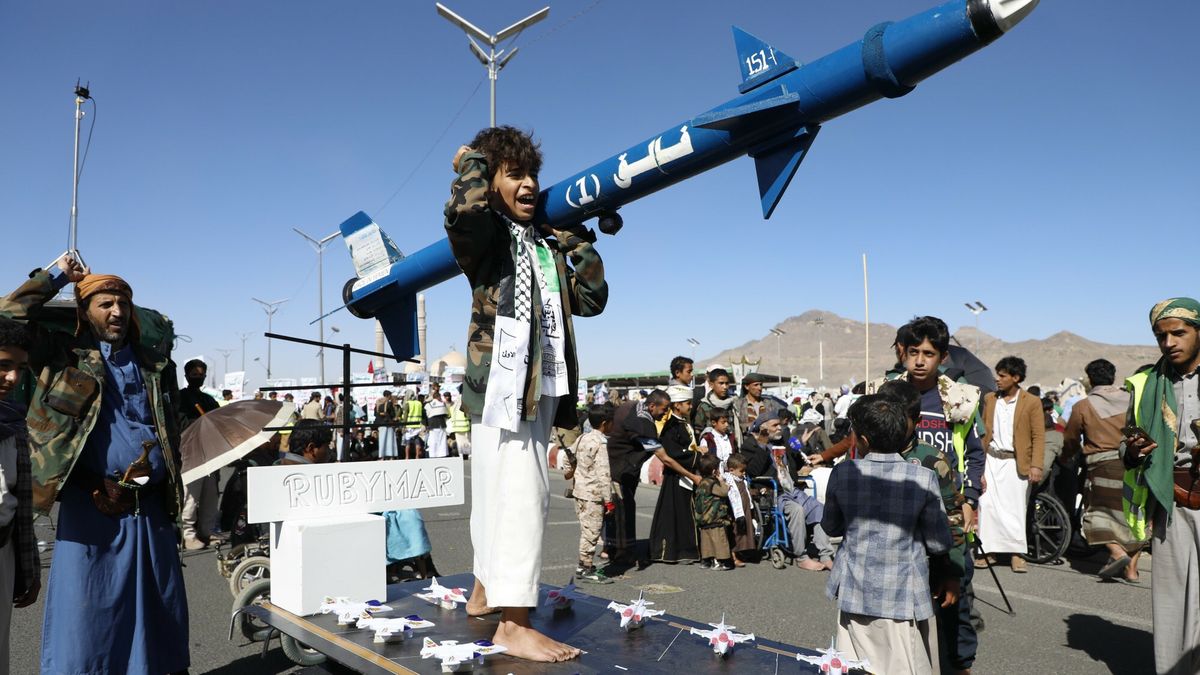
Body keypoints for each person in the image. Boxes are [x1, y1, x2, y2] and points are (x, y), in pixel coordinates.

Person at [445, 126, 607, 662]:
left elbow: (591, 298)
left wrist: (575, 237)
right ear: (491, 184)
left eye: (532, 174)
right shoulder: (486, 239)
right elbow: (464, 213)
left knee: (496, 492)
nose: (530, 184)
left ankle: (486, 589)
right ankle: (514, 625)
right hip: (503, 386)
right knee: (520, 495)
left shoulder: (544, 244)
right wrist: (470, 162)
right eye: (514, 174)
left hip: (535, 388)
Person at [1, 254, 189, 674]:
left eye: (123, 303)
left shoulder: (155, 366)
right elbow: (5, 315)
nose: (118, 311)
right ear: (85, 311)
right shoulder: (61, 356)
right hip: (92, 506)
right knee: (88, 619)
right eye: (106, 304)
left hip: (150, 511)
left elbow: (165, 433)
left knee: (158, 614)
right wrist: (56, 277)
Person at [821, 395, 956, 675]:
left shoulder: (843, 474)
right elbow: (939, 542)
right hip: (903, 599)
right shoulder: (922, 477)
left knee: (853, 667)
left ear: (864, 440)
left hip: (854, 593)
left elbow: (831, 527)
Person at [885, 316, 984, 674]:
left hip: (949, 510)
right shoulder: (887, 394)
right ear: (903, 354)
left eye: (929, 353)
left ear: (942, 356)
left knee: (955, 595)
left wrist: (970, 500)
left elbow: (974, 454)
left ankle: (960, 664)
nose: (920, 360)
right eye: (914, 352)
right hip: (900, 512)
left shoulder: (960, 399)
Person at [1121, 298, 1200, 675]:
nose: (1169, 342)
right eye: (1161, 335)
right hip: (1172, 500)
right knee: (1171, 604)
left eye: (1179, 333)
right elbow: (1125, 444)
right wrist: (1135, 449)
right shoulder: (1146, 384)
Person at [1059, 358, 1144, 581]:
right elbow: (1138, 432)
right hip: (1134, 464)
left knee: (1097, 513)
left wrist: (1066, 456)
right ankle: (1132, 571)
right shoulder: (1131, 401)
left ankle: (1117, 554)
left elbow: (1070, 439)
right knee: (1133, 517)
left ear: (1090, 379)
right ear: (1113, 377)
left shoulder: (1084, 406)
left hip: (1102, 467)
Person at [977, 356, 1044, 573]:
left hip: (1016, 462)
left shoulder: (1032, 402)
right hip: (991, 460)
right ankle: (988, 551)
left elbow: (1038, 436)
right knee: (987, 506)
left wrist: (1036, 465)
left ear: (1016, 378)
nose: (998, 379)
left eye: (1002, 376)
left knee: (1015, 509)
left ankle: (1016, 553)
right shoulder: (990, 399)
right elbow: (982, 432)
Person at [0, 318, 41, 674]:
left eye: (19, 368)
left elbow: (20, 504)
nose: (12, 378)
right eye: (2, 365)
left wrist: (28, 570)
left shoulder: (13, 422)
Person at [605, 389, 668, 565]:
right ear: (652, 405)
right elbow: (660, 453)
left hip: (621, 467)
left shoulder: (633, 407)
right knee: (622, 510)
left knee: (615, 509)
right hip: (621, 469)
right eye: (663, 409)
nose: (664, 414)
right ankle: (623, 553)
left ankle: (611, 547)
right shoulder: (642, 422)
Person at [648, 385, 705, 564]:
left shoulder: (684, 422)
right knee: (675, 515)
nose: (690, 406)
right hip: (677, 476)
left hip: (686, 473)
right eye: (687, 403)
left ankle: (686, 550)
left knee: (684, 514)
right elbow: (673, 452)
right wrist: (697, 455)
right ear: (677, 405)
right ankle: (675, 552)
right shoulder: (670, 425)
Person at [562, 404, 614, 583]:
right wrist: (609, 500)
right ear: (605, 423)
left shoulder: (583, 437)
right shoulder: (600, 442)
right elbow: (604, 473)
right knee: (592, 532)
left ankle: (584, 564)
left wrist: (569, 471)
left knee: (586, 530)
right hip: (593, 494)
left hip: (579, 492)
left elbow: (566, 456)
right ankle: (585, 567)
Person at [177, 358, 221, 550]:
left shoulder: (209, 400)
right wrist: (201, 423)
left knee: (210, 495)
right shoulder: (179, 398)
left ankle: (207, 531)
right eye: (195, 375)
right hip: (190, 453)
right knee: (190, 496)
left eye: (201, 375)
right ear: (187, 376)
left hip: (210, 453)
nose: (199, 378)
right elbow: (181, 424)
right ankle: (187, 535)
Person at [693, 453, 733, 571]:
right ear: (714, 471)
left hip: (703, 518)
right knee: (719, 540)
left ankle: (706, 561)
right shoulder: (713, 483)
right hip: (715, 517)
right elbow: (724, 492)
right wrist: (722, 482)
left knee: (706, 541)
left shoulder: (702, 483)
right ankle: (723, 561)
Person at [721, 453, 755, 567]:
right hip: (735, 512)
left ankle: (742, 552)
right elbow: (732, 497)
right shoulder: (729, 481)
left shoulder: (741, 479)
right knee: (735, 533)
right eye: (742, 471)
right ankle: (733, 556)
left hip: (745, 510)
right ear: (731, 470)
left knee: (744, 532)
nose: (744, 473)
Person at [693, 368, 742, 445]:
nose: (725, 387)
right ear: (711, 385)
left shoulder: (734, 404)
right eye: (721, 383)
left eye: (727, 383)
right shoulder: (704, 406)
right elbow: (698, 429)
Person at [425, 385, 450, 459]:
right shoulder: (442, 404)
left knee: (433, 440)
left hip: (432, 425)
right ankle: (442, 454)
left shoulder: (428, 405)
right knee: (442, 441)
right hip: (441, 424)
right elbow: (446, 413)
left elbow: (427, 414)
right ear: (439, 397)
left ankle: (433, 454)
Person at [446, 392, 471, 459]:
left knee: (459, 442)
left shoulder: (452, 407)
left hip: (456, 427)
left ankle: (461, 455)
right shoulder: (465, 405)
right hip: (465, 426)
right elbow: (468, 415)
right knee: (466, 441)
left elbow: (450, 416)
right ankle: (467, 455)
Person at [374, 391, 399, 460]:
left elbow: (375, 413)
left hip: (381, 424)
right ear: (388, 396)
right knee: (390, 440)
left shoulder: (378, 402)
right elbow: (392, 414)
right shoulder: (389, 403)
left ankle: (382, 456)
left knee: (382, 440)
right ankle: (391, 456)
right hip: (389, 424)